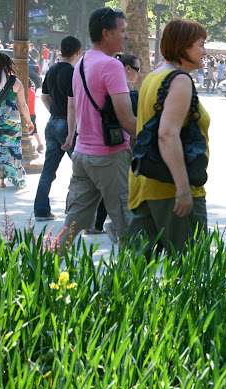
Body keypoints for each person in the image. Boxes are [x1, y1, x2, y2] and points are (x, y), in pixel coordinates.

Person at [57, 7, 137, 253]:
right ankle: (129, 277)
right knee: (128, 229)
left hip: (82, 155)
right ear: (106, 33)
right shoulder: (112, 65)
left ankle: (41, 268)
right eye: (122, 30)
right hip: (109, 157)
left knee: (71, 225)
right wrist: (159, 135)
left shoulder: (81, 63)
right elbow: (126, 119)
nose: (126, 35)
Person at [128, 19, 209, 254]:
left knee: (137, 269)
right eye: (200, 45)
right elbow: (167, 134)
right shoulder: (180, 80)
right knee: (190, 267)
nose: (204, 51)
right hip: (171, 190)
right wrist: (183, 189)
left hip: (145, 184)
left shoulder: (154, 77)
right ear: (183, 46)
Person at [89, 52, 141, 236]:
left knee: (105, 187)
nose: (138, 74)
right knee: (120, 189)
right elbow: (129, 121)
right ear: (127, 68)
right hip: (118, 144)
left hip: (98, 142)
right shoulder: (124, 92)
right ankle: (121, 230)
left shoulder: (104, 85)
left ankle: (96, 223)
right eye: (137, 69)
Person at [33, 36, 82, 222]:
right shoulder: (72, 72)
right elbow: (72, 106)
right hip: (65, 124)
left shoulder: (52, 69)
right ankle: (74, 209)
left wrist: (54, 112)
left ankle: (41, 210)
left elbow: (44, 97)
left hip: (52, 123)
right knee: (82, 169)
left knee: (48, 170)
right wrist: (71, 132)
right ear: (77, 52)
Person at [0, 53, 33, 189]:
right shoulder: (17, 82)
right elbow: (23, 104)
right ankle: (3, 180)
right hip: (13, 121)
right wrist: (29, 122)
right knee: (11, 148)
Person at [28, 80, 45, 153]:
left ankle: (40, 144)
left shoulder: (26, 93)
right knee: (34, 130)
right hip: (32, 113)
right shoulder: (32, 92)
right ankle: (39, 144)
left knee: (31, 130)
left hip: (28, 113)